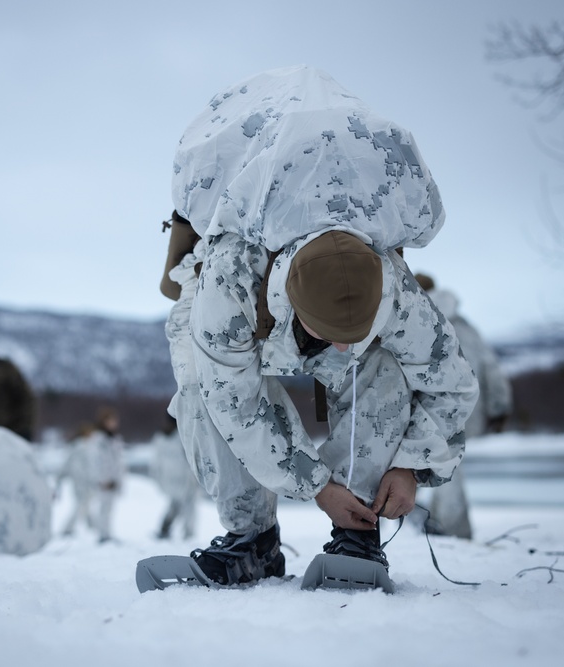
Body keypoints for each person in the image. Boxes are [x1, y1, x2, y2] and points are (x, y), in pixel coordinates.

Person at [160, 66, 479, 586]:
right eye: (330, 331)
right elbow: (233, 400)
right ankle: (251, 542)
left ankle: (359, 534)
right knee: (202, 388)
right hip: (248, 323)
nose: (340, 344)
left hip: (324, 311)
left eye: (355, 331)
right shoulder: (230, 279)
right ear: (292, 303)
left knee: (383, 371)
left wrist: (411, 465)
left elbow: (450, 384)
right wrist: (313, 485)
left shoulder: (395, 288)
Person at [415, 273, 513, 539]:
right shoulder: (463, 324)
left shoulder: (414, 315)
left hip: (426, 407)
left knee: (416, 465)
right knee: (447, 467)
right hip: (466, 407)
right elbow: (491, 366)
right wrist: (499, 407)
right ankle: (440, 525)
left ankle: (442, 528)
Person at [150, 412, 200, 539]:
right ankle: (188, 534)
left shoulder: (160, 437)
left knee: (175, 505)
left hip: (172, 480)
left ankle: (165, 528)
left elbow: (155, 462)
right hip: (182, 479)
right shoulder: (181, 436)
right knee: (188, 507)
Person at [90, 406, 125, 543]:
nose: (114, 423)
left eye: (115, 420)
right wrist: (102, 479)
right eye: (110, 420)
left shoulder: (115, 439)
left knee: (110, 508)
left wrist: (119, 478)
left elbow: (119, 461)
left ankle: (107, 533)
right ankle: (102, 534)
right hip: (104, 481)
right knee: (103, 507)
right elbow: (95, 460)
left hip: (114, 480)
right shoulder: (98, 439)